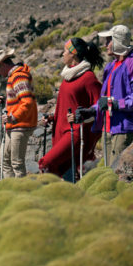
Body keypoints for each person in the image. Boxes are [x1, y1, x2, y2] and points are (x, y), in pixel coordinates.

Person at [75, 25, 133, 164]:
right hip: (109, 127)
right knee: (109, 170)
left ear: (118, 41)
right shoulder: (111, 67)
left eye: (109, 41)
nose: (105, 45)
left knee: (117, 171)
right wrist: (91, 110)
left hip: (125, 128)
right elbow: (105, 99)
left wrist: (116, 104)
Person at [38, 37, 103, 181]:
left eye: (65, 51)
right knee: (68, 172)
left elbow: (99, 108)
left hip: (75, 133)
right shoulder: (67, 76)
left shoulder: (88, 77)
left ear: (73, 54)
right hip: (61, 130)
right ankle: (69, 198)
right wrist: (52, 117)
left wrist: (83, 117)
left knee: (46, 163)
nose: (62, 54)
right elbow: (67, 105)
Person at [0, 48, 38, 178]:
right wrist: (7, 101)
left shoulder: (19, 76)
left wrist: (12, 117)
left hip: (20, 125)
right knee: (2, 160)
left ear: (3, 64)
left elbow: (27, 102)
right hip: (15, 125)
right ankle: (9, 190)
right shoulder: (14, 76)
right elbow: (20, 98)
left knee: (16, 163)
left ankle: (20, 194)